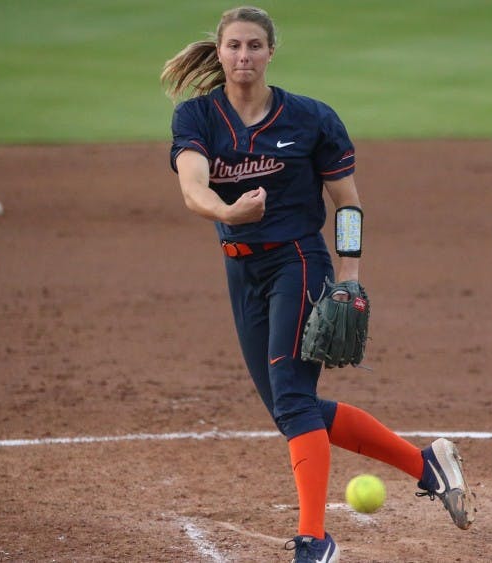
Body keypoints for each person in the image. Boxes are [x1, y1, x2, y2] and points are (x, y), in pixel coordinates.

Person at [161, 6, 475, 562]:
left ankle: (314, 541)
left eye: (254, 46)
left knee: (292, 400)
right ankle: (427, 464)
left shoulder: (310, 119)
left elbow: (347, 205)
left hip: (298, 263)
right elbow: (192, 190)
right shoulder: (198, 117)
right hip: (241, 269)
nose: (243, 57)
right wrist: (230, 213)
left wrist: (349, 279)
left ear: (271, 52)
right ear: (219, 51)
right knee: (292, 407)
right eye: (234, 46)